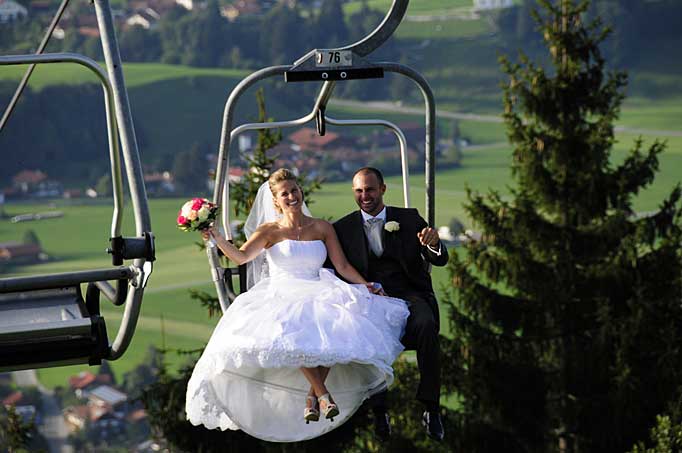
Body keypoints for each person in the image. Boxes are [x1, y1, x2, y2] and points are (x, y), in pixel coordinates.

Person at [185, 169, 410, 442]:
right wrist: (218, 238)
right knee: (293, 331)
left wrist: (365, 286)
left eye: (294, 190)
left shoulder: (321, 228)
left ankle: (312, 398)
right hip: (283, 292)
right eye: (284, 193)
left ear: (300, 192)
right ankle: (323, 396)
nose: (291, 196)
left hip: (320, 287)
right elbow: (242, 257)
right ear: (276, 200)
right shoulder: (269, 231)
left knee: (336, 329)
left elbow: (342, 265)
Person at [332, 167, 448, 441]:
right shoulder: (343, 228)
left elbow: (439, 259)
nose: (365, 196)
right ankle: (380, 410)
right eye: (359, 191)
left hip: (409, 294)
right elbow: (336, 269)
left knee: (426, 324)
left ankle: (431, 408)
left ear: (383, 189)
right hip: (371, 299)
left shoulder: (408, 218)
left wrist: (433, 245)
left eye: (370, 189)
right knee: (368, 335)